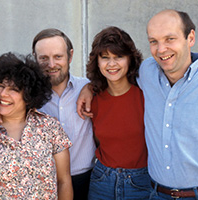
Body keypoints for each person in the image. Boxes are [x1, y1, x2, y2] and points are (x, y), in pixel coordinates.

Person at [77, 9, 198, 200]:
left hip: (148, 184)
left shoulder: (146, 83)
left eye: (170, 39)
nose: (161, 49)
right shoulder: (144, 75)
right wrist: (87, 88)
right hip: (108, 181)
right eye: (154, 41)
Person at [0, 28, 96, 200]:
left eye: (58, 56)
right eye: (43, 58)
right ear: (35, 59)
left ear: (70, 56)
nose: (51, 64)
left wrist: (92, 87)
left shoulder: (89, 88)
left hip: (86, 179)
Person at [0, 52, 73, 199]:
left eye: (14, 89)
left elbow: (64, 181)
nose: (3, 94)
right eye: (0, 86)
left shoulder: (49, 127)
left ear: (28, 96)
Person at [85, 26, 151, 200]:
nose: (111, 64)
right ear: (97, 62)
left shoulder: (146, 95)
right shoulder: (93, 100)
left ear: (130, 59)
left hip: (141, 182)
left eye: (118, 57)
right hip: (102, 180)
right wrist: (88, 88)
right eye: (105, 58)